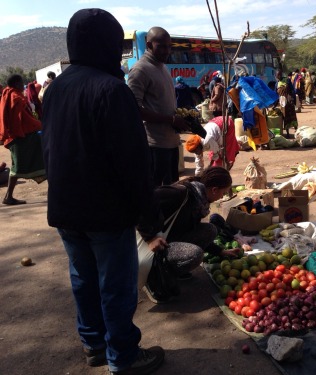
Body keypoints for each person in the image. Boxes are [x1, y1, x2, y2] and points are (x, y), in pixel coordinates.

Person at [41, 8, 164, 374]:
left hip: (66, 209)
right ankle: (123, 357)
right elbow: (133, 164)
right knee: (116, 286)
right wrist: (149, 223)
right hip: (105, 213)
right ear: (109, 45)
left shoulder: (54, 90)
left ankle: (93, 343)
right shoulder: (112, 90)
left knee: (83, 279)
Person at [137, 166, 236, 303]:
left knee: (210, 230)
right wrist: (150, 237)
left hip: (169, 239)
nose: (222, 196)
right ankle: (153, 278)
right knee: (195, 255)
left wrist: (221, 252)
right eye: (223, 192)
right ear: (214, 190)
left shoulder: (199, 201)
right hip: (154, 245)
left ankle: (170, 269)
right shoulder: (180, 193)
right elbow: (140, 204)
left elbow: (191, 230)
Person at [128, 26, 190, 187]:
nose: (167, 51)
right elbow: (133, 110)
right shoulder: (140, 70)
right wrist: (171, 119)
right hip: (155, 145)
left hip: (171, 143)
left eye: (169, 46)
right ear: (149, 45)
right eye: (161, 46)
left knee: (173, 190)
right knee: (157, 193)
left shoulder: (162, 67)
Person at [0, 74, 46, 205]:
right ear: (16, 84)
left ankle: (9, 196)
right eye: (21, 83)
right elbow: (20, 119)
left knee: (16, 167)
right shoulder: (16, 97)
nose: (23, 86)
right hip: (19, 137)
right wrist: (40, 125)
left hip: (13, 137)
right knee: (43, 155)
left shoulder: (7, 94)